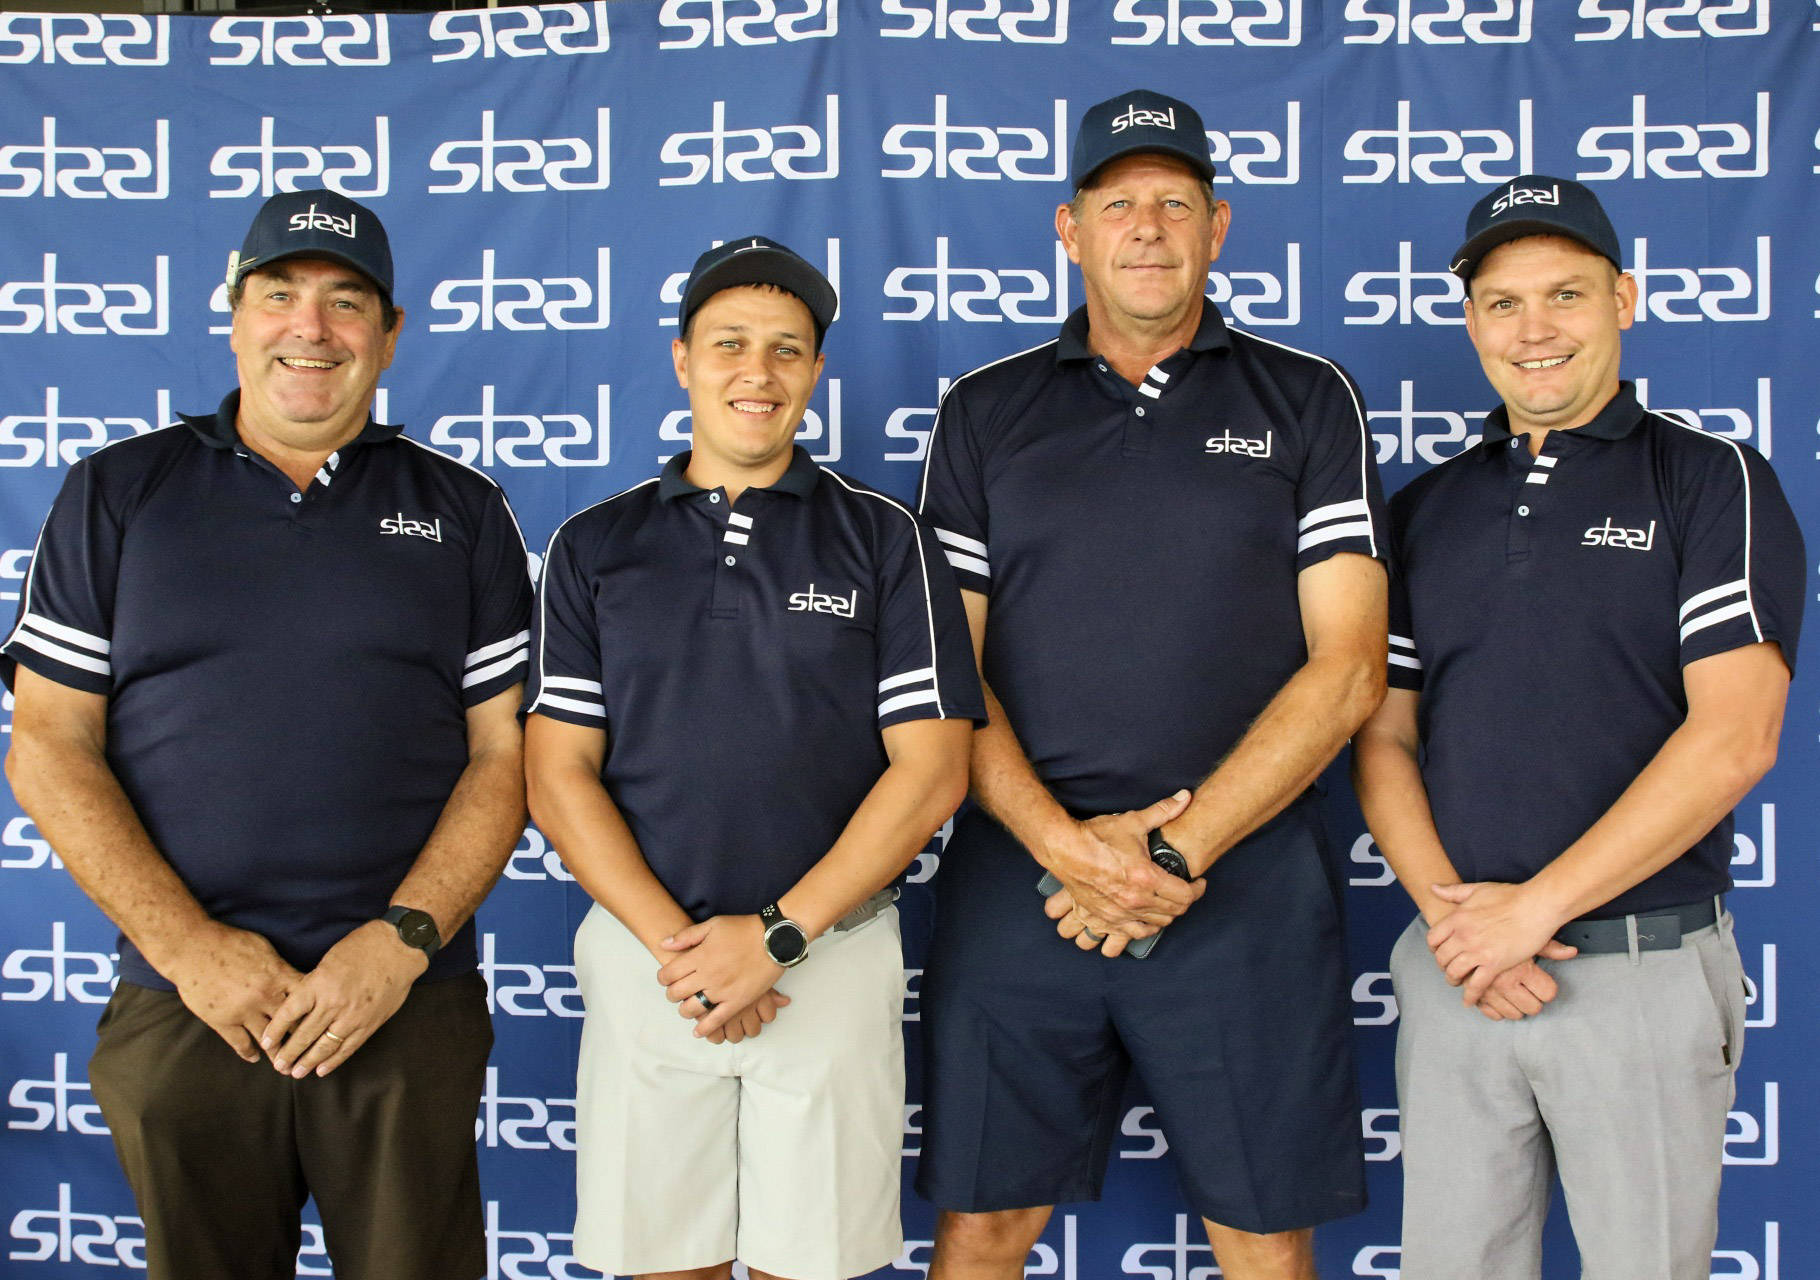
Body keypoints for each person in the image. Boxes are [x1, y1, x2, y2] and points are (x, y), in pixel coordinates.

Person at [1, 188, 533, 1279]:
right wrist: (188, 949)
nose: (311, 328)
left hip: (402, 1003)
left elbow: (505, 754)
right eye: (279, 294)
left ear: (390, 333)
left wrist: (401, 942)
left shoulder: (464, 509)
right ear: (235, 314)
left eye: (347, 303)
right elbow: (48, 741)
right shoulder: (117, 492)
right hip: (185, 1004)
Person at [915, 90, 1386, 1280]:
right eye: (1117, 202)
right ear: (1068, 228)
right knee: (980, 1227)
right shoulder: (984, 409)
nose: (1145, 228)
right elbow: (943, 670)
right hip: (1023, 878)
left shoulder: (1305, 398)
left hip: (1244, 878)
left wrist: (1169, 853)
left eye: (1174, 203)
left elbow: (1347, 666)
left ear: (1216, 226)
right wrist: (1066, 849)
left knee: (1263, 1234)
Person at [1351, 175, 1804, 1279]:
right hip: (1460, 972)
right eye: (1502, 303)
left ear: (1623, 300)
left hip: (1638, 972)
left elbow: (1736, 737)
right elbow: (1382, 739)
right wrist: (1456, 924)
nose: (1534, 328)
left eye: (1566, 293)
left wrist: (1533, 911)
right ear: (1471, 323)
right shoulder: (1422, 510)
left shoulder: (1710, 480)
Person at [522, 235, 980, 1280]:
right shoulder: (594, 544)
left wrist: (775, 937)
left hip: (830, 951)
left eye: (785, 348)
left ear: (815, 370)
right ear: (683, 359)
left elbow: (932, 770)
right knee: (663, 1265)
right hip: (648, 957)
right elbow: (555, 774)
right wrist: (688, 954)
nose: (756, 372)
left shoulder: (887, 537)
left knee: (806, 1267)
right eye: (729, 343)